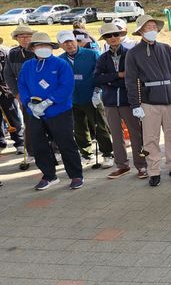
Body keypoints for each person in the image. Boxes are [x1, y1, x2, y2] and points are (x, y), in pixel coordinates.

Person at [124, 14, 171, 187]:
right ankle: (154, 170)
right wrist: (135, 105)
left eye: (154, 27)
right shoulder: (133, 53)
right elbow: (130, 81)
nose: (152, 30)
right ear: (141, 31)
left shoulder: (166, 48)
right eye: (148, 27)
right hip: (149, 102)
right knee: (150, 138)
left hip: (169, 99)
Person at [18, 32, 83, 190]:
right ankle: (49, 175)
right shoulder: (27, 66)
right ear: (33, 49)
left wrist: (48, 102)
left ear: (51, 47)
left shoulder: (61, 64)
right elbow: (22, 85)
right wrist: (29, 104)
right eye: (39, 45)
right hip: (35, 113)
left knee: (65, 143)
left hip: (59, 111)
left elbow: (66, 86)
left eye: (46, 45)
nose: (42, 48)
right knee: (39, 144)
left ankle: (76, 175)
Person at [94, 22, 147, 179]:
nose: (112, 38)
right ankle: (122, 165)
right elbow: (96, 79)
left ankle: (142, 165)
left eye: (115, 34)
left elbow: (133, 77)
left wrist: (109, 80)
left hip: (128, 101)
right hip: (110, 102)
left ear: (120, 35)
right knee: (116, 136)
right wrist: (117, 76)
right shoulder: (103, 58)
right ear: (104, 38)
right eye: (108, 36)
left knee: (136, 134)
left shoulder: (130, 54)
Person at [57, 30, 114, 168]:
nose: (69, 44)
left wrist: (97, 91)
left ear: (76, 41)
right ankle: (86, 154)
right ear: (60, 45)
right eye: (65, 43)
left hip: (92, 96)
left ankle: (107, 153)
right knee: (79, 128)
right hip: (72, 100)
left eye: (71, 41)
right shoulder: (60, 60)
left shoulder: (91, 54)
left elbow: (102, 73)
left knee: (100, 126)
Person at [5, 24, 36, 156]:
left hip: (44, 94)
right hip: (24, 95)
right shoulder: (13, 53)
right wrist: (16, 93)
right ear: (17, 39)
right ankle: (31, 152)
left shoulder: (38, 50)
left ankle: (55, 150)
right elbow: (8, 75)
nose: (25, 39)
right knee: (29, 124)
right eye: (21, 37)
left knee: (49, 123)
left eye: (28, 36)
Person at [0, 35, 23, 152]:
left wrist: (8, 89)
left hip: (6, 91)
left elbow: (8, 74)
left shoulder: (4, 53)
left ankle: (20, 142)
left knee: (13, 118)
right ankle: (1, 142)